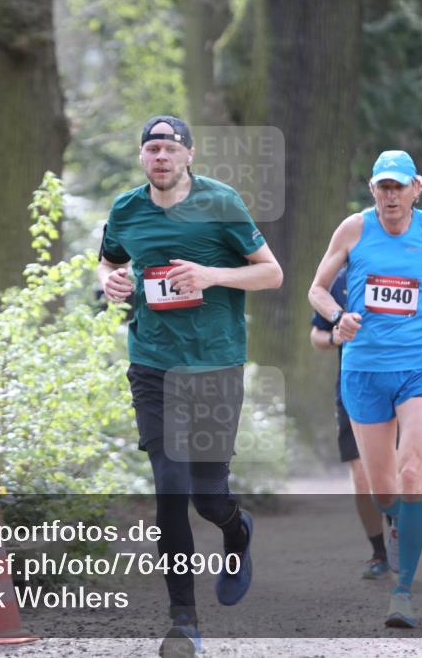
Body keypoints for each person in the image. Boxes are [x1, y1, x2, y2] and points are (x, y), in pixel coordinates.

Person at [98, 115, 283, 657]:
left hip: (215, 365)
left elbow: (271, 273)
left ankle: (236, 530)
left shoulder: (221, 203)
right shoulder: (126, 210)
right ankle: (184, 622)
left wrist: (211, 275)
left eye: (169, 148)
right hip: (153, 365)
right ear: (142, 158)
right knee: (170, 487)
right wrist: (109, 281)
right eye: (151, 149)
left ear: (188, 155)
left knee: (207, 496)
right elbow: (110, 261)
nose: (160, 157)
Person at [309, 149, 422, 629]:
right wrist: (336, 318)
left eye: (398, 186)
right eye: (383, 186)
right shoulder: (352, 229)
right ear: (373, 190)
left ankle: (402, 590)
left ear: (415, 189)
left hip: (419, 369)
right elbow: (317, 289)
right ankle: (392, 521)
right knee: (382, 487)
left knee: (411, 472)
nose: (391, 195)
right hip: (363, 371)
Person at [310, 274, 422, 579]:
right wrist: (336, 336)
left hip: (401, 385)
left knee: (400, 471)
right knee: (362, 477)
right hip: (355, 385)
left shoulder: (400, 269)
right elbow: (316, 336)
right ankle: (378, 552)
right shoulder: (336, 282)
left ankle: (398, 534)